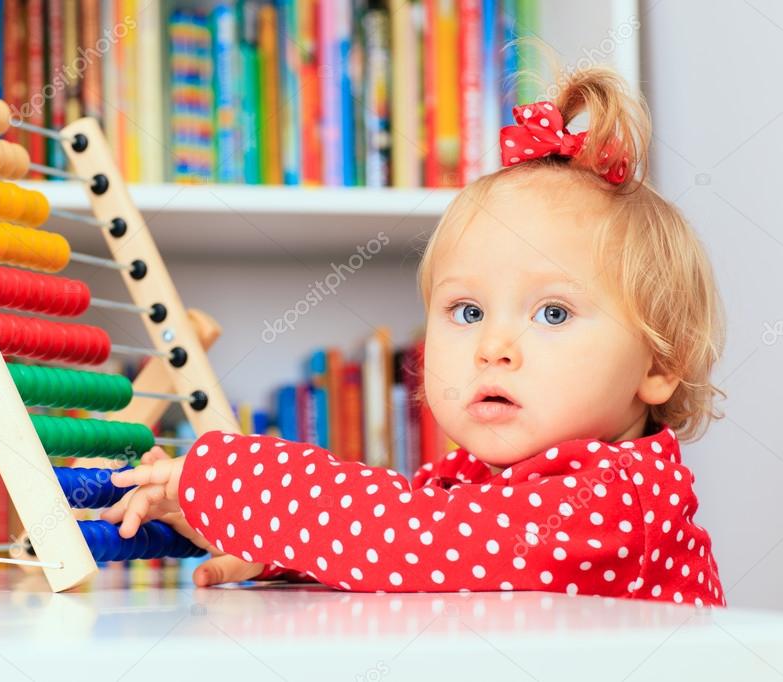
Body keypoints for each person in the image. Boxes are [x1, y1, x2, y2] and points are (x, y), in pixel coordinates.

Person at [102, 64, 727, 607]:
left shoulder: (614, 502)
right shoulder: (479, 481)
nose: (492, 347)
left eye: (553, 313)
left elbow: (413, 536)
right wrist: (278, 550)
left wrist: (232, 480)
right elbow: (408, 556)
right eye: (467, 311)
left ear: (659, 362)